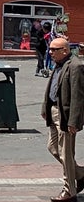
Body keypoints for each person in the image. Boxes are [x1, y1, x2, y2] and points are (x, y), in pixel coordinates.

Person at [41, 37, 84, 202]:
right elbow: (52, 87)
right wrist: (45, 107)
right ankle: (80, 174)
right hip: (53, 112)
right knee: (52, 147)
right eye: (50, 49)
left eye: (54, 49)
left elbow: (78, 97)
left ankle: (69, 192)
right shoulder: (58, 64)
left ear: (64, 51)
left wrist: (74, 121)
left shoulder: (76, 66)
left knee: (66, 154)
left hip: (65, 116)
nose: (50, 52)